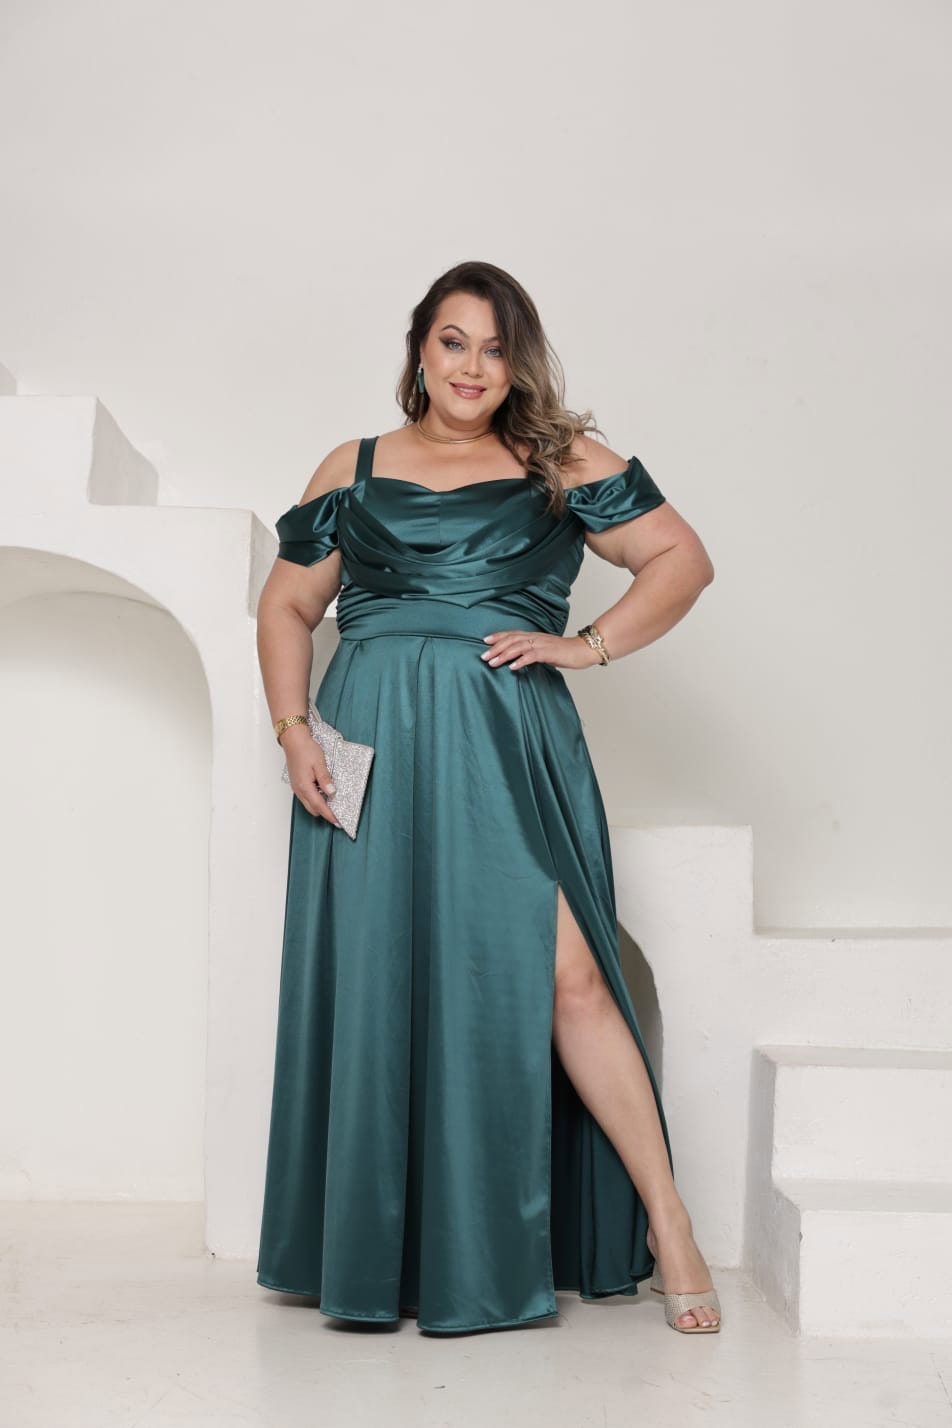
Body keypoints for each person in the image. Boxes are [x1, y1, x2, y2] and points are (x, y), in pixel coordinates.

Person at [255, 260, 720, 1336]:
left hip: (501, 744)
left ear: (519, 365)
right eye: (454, 341)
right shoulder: (352, 466)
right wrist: (292, 732)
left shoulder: (559, 459)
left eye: (496, 348)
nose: (472, 366)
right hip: (369, 742)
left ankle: (669, 1220)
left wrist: (585, 644)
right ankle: (393, 1250)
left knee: (569, 980)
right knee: (381, 990)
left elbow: (681, 561)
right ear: (420, 349)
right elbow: (285, 608)